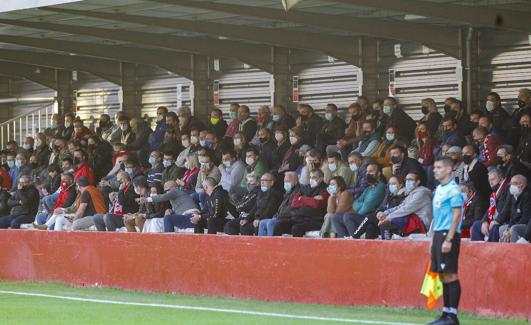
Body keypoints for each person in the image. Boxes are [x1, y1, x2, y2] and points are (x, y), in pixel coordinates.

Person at [427, 157, 464, 325]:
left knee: (450, 274)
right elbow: (437, 217)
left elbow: (457, 215)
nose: (435, 170)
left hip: (448, 235)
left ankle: (453, 316)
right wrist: (432, 239)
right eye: (434, 167)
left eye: (439, 167)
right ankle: (445, 313)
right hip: (438, 235)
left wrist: (449, 239)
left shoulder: (454, 190)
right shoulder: (439, 189)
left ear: (449, 169)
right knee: (442, 275)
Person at [332, 162, 386, 239]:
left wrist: (361, 205)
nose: (368, 173)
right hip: (362, 216)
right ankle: (344, 240)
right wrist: (362, 204)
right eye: (367, 171)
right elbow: (355, 204)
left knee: (348, 216)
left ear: (379, 173)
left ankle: (355, 242)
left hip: (370, 219)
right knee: (336, 217)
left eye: (371, 171)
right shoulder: (368, 188)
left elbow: (367, 207)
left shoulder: (381, 187)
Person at [273, 169, 329, 237]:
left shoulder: (325, 190)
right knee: (278, 226)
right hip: (298, 218)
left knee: (296, 228)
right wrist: (310, 200)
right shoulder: (305, 188)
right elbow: (294, 202)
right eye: (310, 177)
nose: (311, 179)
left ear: (321, 178)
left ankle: (296, 248)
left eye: (314, 177)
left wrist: (301, 199)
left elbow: (317, 204)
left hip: (314, 220)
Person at [258, 172, 301, 236]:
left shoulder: (297, 193)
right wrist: (275, 216)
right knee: (262, 223)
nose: (286, 183)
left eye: (288, 181)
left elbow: (290, 209)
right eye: (285, 181)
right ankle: (262, 245)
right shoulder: (288, 193)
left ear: (295, 182)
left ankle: (271, 244)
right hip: (281, 218)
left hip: (290, 219)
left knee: (271, 223)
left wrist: (278, 217)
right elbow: (280, 209)